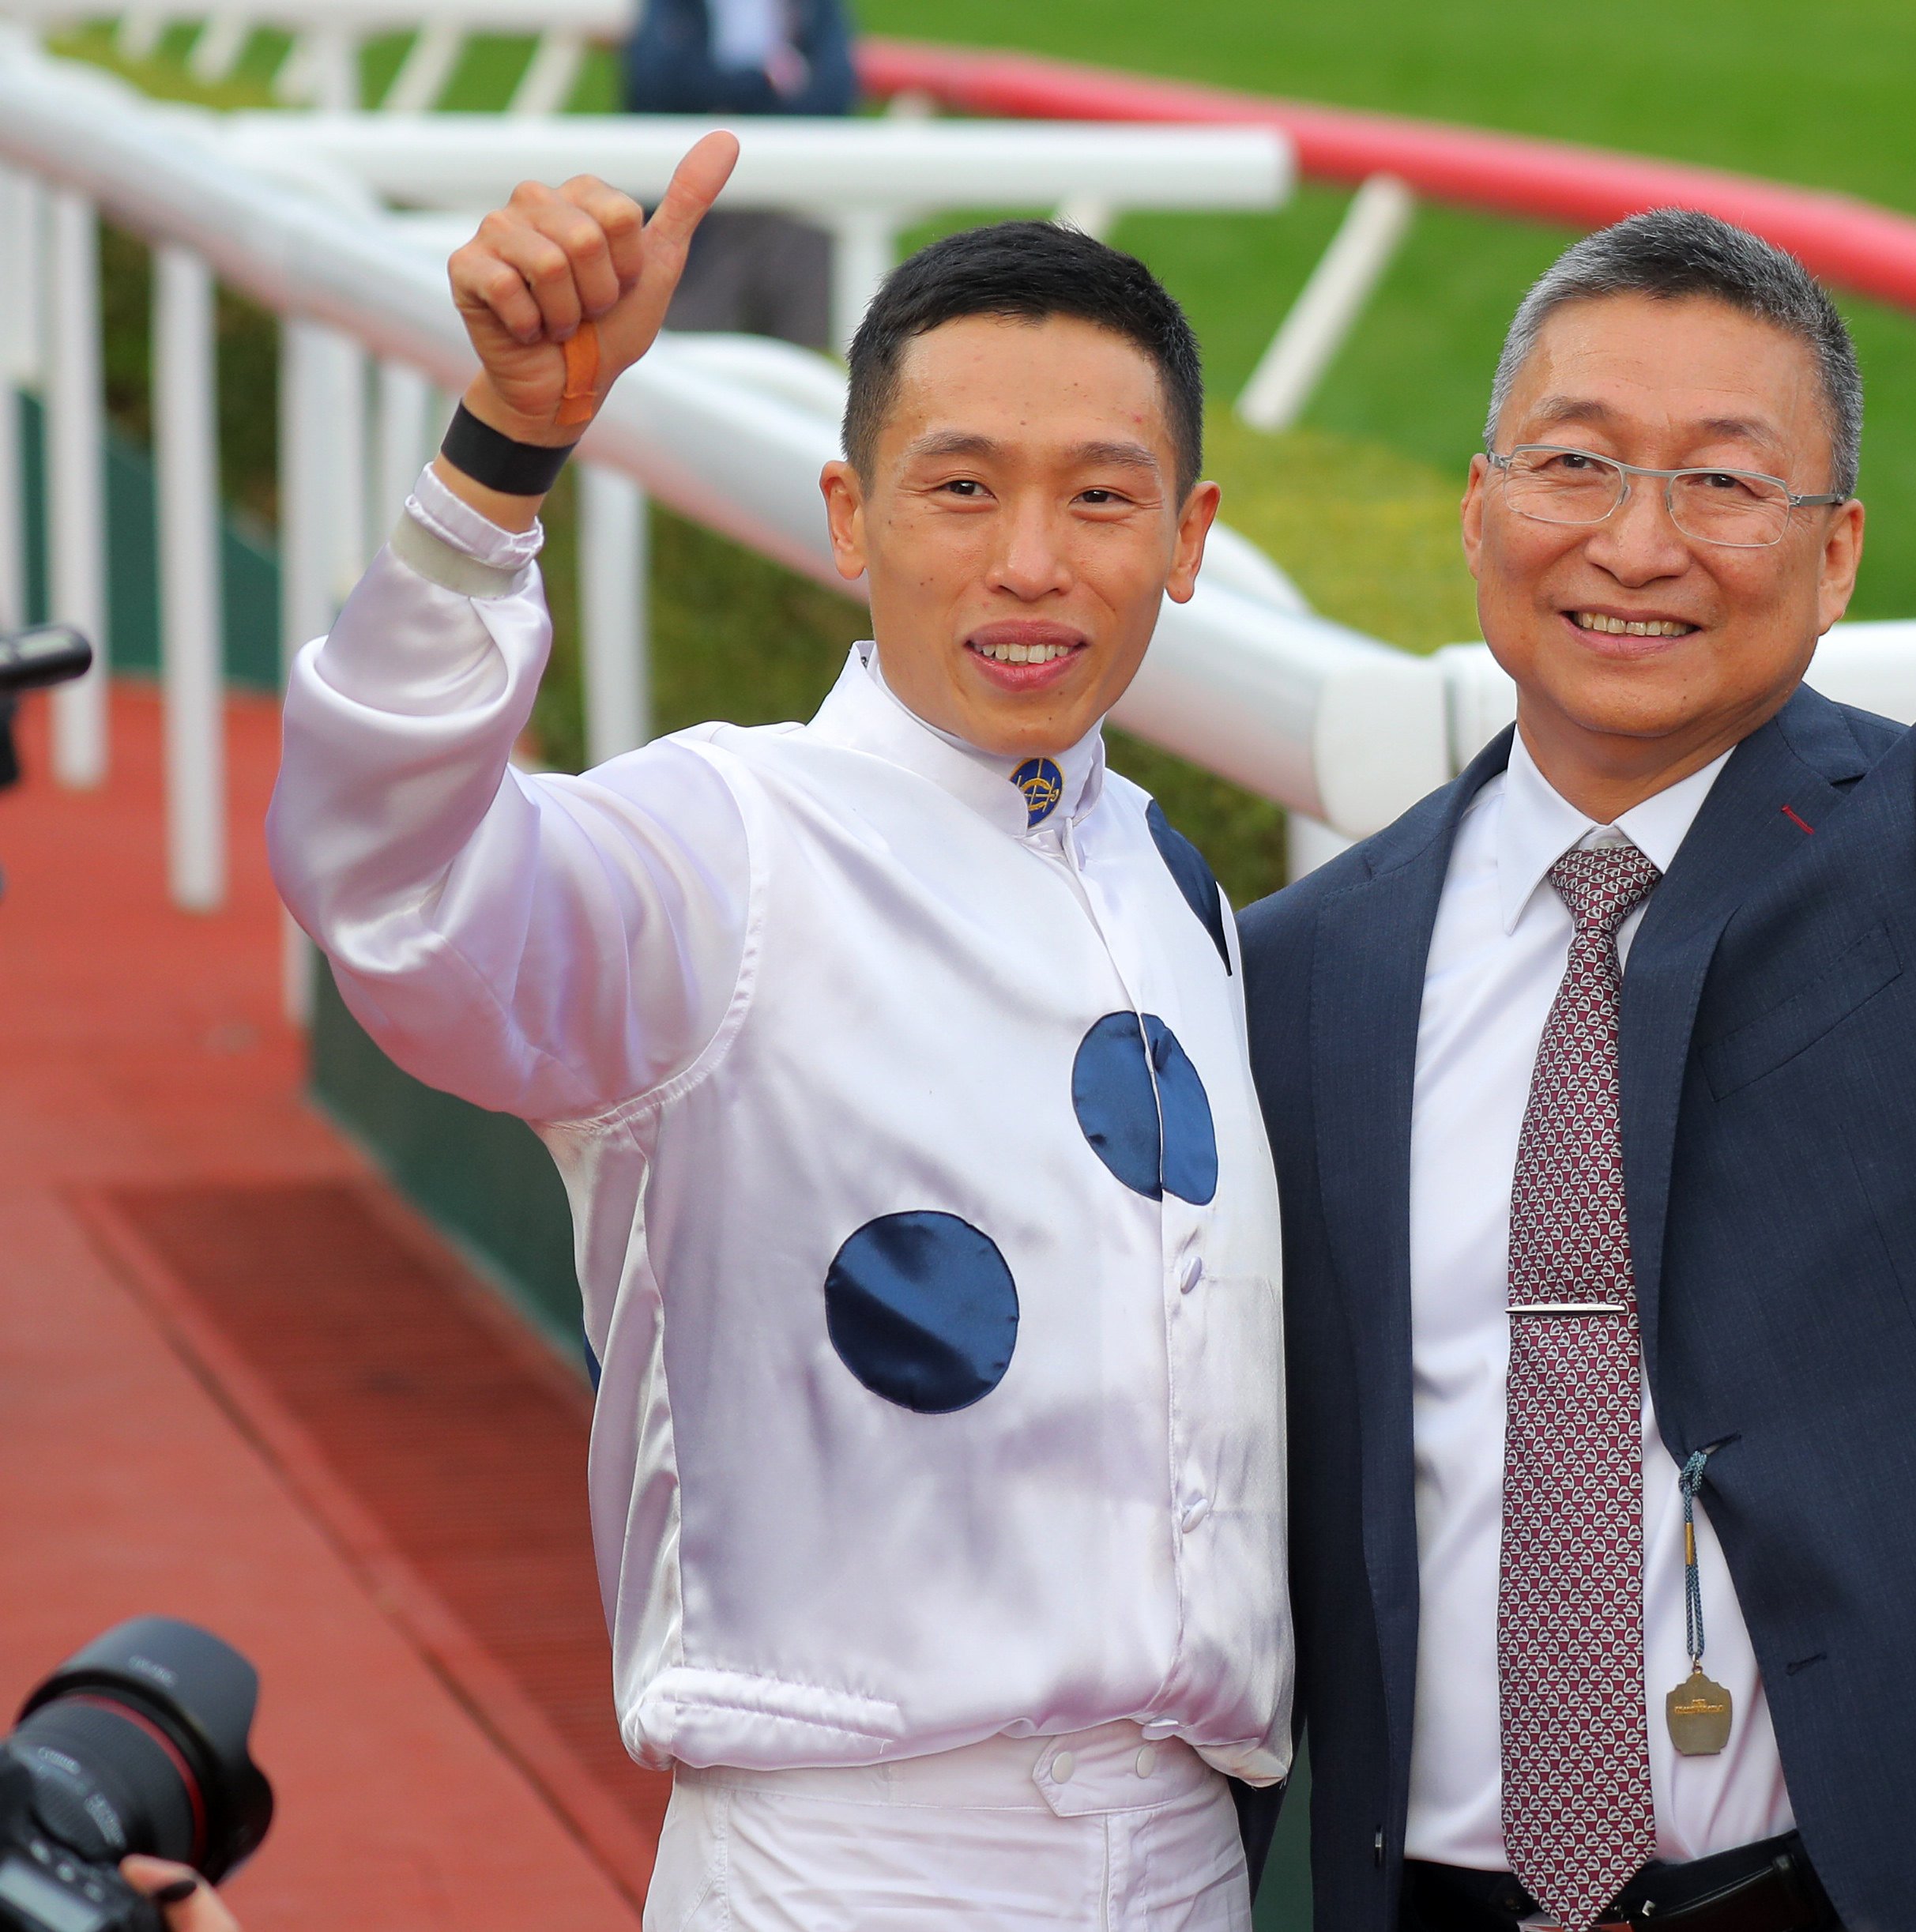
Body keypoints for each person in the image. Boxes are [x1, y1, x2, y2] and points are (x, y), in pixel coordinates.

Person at [1239, 211, 1916, 1932]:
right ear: (1479, 510)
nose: (1638, 539)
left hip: (1889, 1880)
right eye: (1578, 464)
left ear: (1834, 558)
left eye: (1721, 483)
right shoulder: (1309, 964)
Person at [267, 137, 1289, 1930]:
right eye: (959, 488)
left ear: (1190, 539)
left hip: (1190, 1857)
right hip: (850, 1864)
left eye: (1102, 500)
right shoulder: (718, 849)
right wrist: (500, 459)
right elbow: (390, 885)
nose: (1029, 564)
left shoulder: (1176, 893)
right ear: (847, 516)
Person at [623, 0, 855, 347]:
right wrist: (766, 83)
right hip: (699, 212)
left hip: (789, 199)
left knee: (807, 358)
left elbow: (835, 93)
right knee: (684, 359)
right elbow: (656, 85)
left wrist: (726, 95)